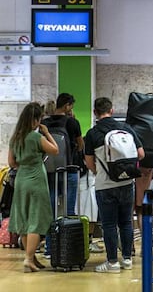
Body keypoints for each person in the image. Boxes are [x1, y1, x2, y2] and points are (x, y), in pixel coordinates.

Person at [84, 97, 145, 273]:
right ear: (111, 110)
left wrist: (101, 172)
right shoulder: (127, 129)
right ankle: (127, 259)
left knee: (109, 224)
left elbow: (89, 163)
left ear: (95, 112)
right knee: (126, 222)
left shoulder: (93, 133)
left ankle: (112, 263)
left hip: (105, 185)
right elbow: (140, 154)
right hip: (127, 182)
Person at [7, 102, 58, 272]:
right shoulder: (36, 137)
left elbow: (12, 163)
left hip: (21, 180)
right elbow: (55, 150)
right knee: (36, 219)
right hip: (36, 179)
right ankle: (28, 259)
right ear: (36, 120)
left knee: (23, 217)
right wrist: (47, 133)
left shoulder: (16, 138)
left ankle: (32, 258)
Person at [42, 93, 84, 259]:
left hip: (50, 171)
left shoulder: (44, 123)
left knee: (51, 211)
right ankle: (69, 247)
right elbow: (81, 146)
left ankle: (50, 248)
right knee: (69, 210)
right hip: (70, 170)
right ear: (67, 106)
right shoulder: (72, 122)